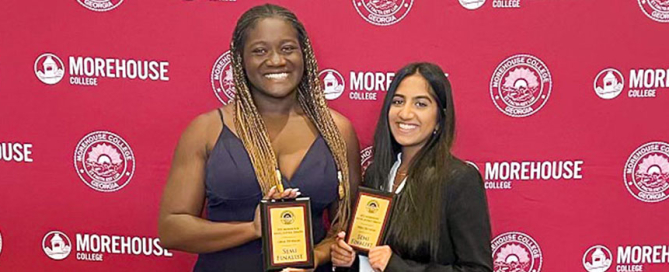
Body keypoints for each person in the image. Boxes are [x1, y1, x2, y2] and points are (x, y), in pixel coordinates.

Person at [158, 4, 361, 272]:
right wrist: (253, 229)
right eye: (260, 51)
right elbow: (172, 229)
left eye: (287, 48)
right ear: (240, 60)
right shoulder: (206, 130)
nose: (276, 60)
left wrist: (316, 257)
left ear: (305, 55)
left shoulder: (337, 130)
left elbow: (345, 225)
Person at [330, 63, 493, 272]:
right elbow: (369, 256)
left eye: (421, 104)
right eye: (398, 101)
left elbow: (478, 269)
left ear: (439, 120)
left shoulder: (459, 180)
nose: (405, 114)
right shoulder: (376, 175)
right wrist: (349, 259)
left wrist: (396, 266)